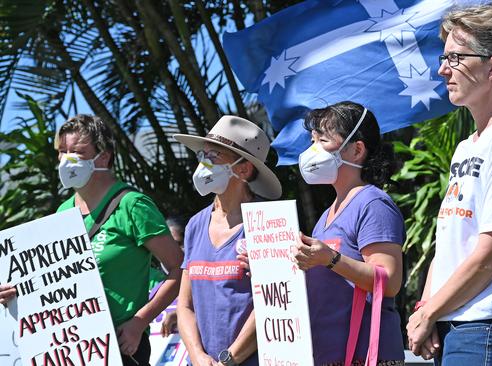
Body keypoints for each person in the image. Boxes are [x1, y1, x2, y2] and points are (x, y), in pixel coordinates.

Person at [405, 4, 492, 365]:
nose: (442, 69)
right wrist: (426, 308)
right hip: (451, 324)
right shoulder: (465, 147)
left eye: (455, 57)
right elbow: (449, 244)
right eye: (444, 57)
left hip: (486, 327)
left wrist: (429, 312)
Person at [0, 114, 184, 366]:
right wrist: (15, 291)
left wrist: (139, 321)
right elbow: (52, 280)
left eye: (77, 151)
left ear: (104, 156)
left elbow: (179, 269)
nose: (66, 160)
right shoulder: (63, 212)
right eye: (62, 151)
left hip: (122, 345)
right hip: (74, 348)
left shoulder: (133, 205)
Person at [291, 101, 405, 365]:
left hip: (366, 356)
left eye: (323, 140)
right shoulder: (328, 214)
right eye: (312, 140)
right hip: (333, 355)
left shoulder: (373, 204)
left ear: (356, 150)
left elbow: (388, 281)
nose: (312, 150)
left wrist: (330, 258)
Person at [174, 115, 282, 366]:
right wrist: (197, 356)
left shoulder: (269, 223)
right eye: (202, 155)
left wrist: (228, 360)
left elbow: (275, 303)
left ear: (244, 169)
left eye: (213, 157)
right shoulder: (195, 225)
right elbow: (185, 305)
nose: (203, 164)